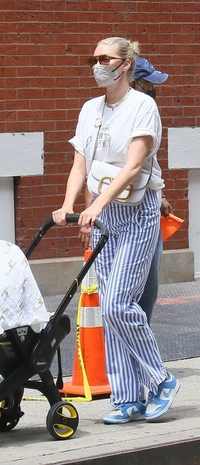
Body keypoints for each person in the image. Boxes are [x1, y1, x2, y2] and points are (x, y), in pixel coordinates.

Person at [52, 37, 180, 424]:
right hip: (104, 218)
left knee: (118, 304)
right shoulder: (90, 108)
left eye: (104, 58)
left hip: (136, 214)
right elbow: (80, 165)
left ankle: (161, 380)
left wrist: (94, 205)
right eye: (94, 58)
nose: (97, 64)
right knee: (110, 313)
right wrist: (70, 205)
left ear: (125, 64)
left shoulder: (143, 106)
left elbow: (134, 167)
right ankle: (127, 399)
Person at [132, 57, 172, 324]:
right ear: (135, 82)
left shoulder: (142, 110)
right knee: (143, 286)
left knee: (149, 283)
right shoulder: (136, 112)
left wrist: (160, 195)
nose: (153, 89)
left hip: (148, 198)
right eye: (148, 83)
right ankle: (136, 350)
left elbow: (149, 164)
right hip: (134, 207)